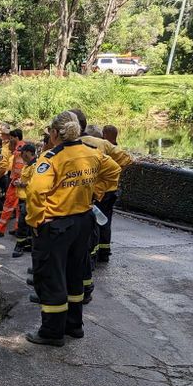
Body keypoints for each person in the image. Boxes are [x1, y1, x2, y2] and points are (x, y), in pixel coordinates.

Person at [25, 111, 120, 347]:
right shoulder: (92, 153)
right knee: (75, 275)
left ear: (55, 133)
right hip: (83, 222)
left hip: (56, 225)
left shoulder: (51, 158)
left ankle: (51, 331)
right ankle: (74, 326)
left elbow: (36, 191)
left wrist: (37, 221)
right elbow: (114, 171)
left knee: (51, 276)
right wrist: (95, 192)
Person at [81, 125, 133, 264]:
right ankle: (104, 253)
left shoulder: (80, 143)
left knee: (93, 222)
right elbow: (127, 159)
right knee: (105, 221)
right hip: (110, 190)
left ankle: (93, 255)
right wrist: (114, 173)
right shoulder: (105, 144)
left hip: (94, 190)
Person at [0, 129, 27, 237]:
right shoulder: (21, 147)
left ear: (16, 137)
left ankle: (0, 229)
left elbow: (18, 166)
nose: (9, 139)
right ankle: (17, 228)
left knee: (8, 205)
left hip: (16, 181)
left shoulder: (19, 148)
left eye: (11, 137)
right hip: (19, 181)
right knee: (18, 208)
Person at [11, 143, 37, 257]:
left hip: (29, 199)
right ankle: (27, 244)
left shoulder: (35, 166)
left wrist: (22, 184)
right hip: (23, 198)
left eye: (22, 152)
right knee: (26, 223)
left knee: (22, 223)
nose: (21, 154)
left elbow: (34, 183)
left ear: (28, 152)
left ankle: (19, 246)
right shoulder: (27, 165)